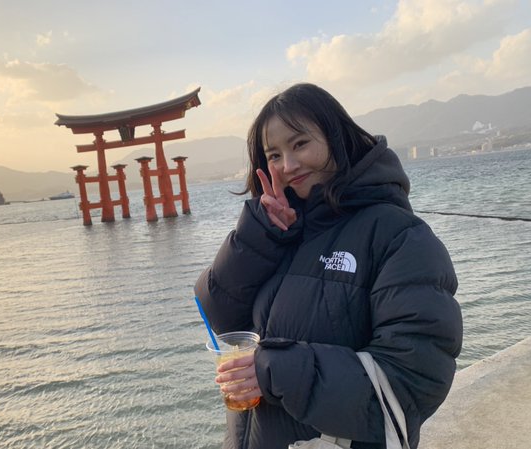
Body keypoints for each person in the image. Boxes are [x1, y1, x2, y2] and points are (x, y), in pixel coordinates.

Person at [194, 82, 463, 449]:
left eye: (300, 144)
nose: (288, 165)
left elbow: (410, 386)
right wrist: (258, 235)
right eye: (274, 155)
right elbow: (219, 315)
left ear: (337, 138)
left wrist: (274, 371)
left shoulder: (399, 236)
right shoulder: (281, 231)